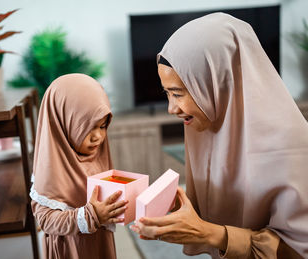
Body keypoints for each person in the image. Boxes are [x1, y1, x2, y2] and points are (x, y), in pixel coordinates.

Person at [130, 13, 308, 258]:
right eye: (167, 93)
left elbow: (298, 250)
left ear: (218, 81)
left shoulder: (289, 146)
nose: (171, 109)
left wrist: (208, 233)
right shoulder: (208, 126)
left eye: (178, 93)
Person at [30, 74, 128, 259]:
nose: (97, 137)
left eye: (102, 126)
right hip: (69, 249)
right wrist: (90, 216)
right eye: (88, 127)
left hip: (99, 245)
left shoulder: (96, 155)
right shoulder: (50, 167)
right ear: (63, 123)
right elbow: (45, 220)